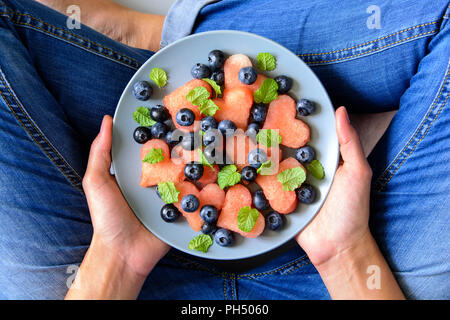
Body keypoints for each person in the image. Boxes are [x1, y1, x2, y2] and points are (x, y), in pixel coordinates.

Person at [0, 0, 448, 299]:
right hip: (355, 271)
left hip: (103, 270)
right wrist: (347, 251)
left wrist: (116, 260)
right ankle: (178, 36)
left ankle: (171, 36)